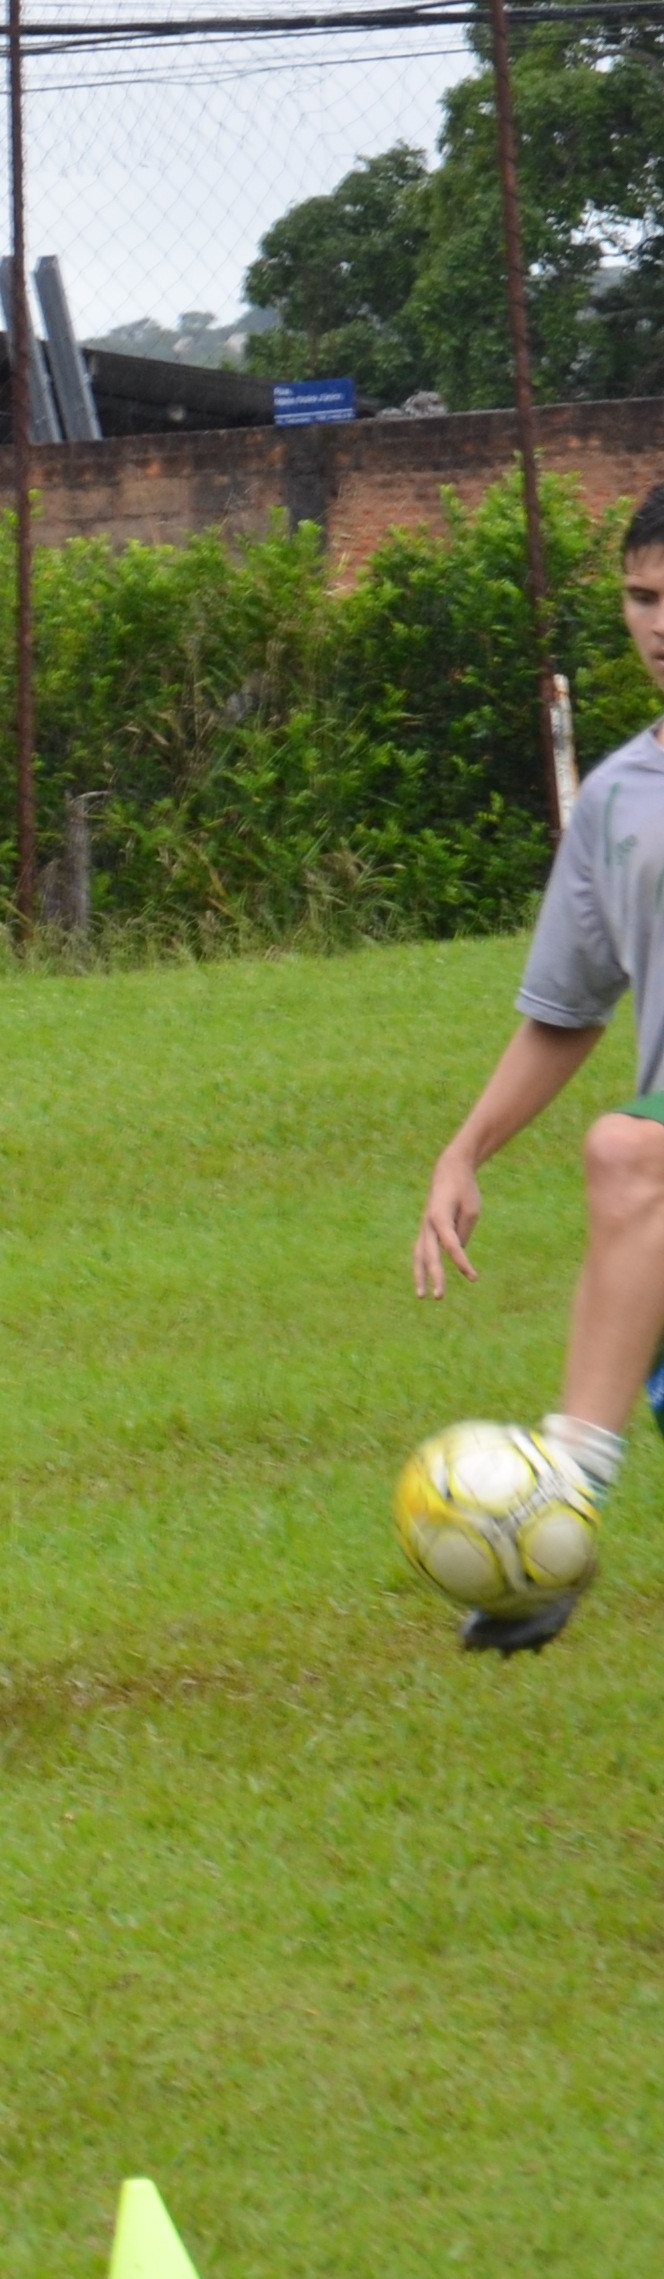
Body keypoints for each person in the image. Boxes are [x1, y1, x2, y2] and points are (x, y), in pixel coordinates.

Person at [409, 480, 664, 1651]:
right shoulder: (615, 799)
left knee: (626, 1153)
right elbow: (567, 1010)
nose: (656, 623)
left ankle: (560, 1498)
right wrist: (464, 1149)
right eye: (638, 596)